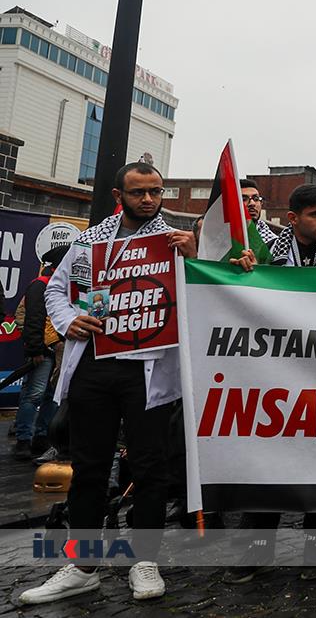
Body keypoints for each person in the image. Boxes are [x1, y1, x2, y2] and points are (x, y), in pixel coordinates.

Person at [20, 163, 197, 605]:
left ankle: (144, 559)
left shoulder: (176, 241)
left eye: (156, 191)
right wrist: (67, 320)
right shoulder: (91, 239)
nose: (150, 200)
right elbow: (56, 292)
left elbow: (209, 290)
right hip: (95, 366)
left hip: (149, 369)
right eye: (139, 193)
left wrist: (194, 258)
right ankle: (82, 565)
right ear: (120, 194)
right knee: (89, 468)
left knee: (150, 467)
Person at [225, 184, 316, 582]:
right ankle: (256, 549)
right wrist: (243, 271)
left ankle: (314, 548)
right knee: (268, 460)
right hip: (274, 376)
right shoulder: (267, 252)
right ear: (293, 219)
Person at [13, 245, 68, 460]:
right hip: (43, 351)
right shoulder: (40, 285)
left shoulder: (61, 286)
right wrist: (36, 349)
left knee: (50, 396)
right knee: (34, 395)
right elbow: (33, 319)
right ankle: (23, 439)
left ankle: (42, 437)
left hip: (57, 349)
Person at [241, 178, 278, 244]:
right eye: (244, 199)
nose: (252, 203)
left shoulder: (273, 244)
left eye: (256, 199)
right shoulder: (221, 239)